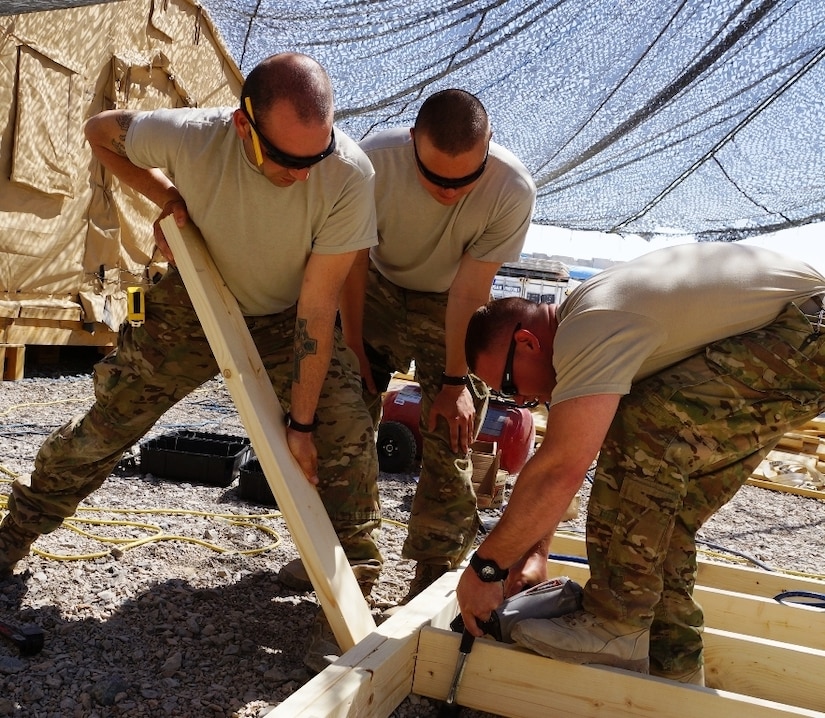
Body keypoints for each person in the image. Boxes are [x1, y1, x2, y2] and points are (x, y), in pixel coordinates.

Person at [0, 52, 383, 673]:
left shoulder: (349, 174)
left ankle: (352, 578)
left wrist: (303, 425)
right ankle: (14, 534)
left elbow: (318, 307)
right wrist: (167, 197)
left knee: (345, 431)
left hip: (290, 317)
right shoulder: (190, 135)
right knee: (109, 425)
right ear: (242, 125)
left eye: (316, 156)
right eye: (287, 159)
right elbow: (100, 132)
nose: (304, 174)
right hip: (192, 303)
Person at [456, 242, 825, 685]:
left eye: (510, 385)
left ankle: (617, 625)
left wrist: (486, 568)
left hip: (804, 333)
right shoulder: (584, 326)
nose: (517, 400)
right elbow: (564, 453)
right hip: (799, 340)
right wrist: (534, 552)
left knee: (643, 429)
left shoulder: (589, 327)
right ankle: (675, 672)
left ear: (527, 341)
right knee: (665, 518)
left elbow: (562, 467)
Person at [328, 89, 535, 604]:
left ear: (489, 146)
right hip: (373, 287)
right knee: (343, 417)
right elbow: (352, 261)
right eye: (435, 176)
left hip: (452, 301)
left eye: (464, 178)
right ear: (413, 140)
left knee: (453, 433)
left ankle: (433, 574)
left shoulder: (511, 189)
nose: (449, 190)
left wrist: (455, 382)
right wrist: (353, 343)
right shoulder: (373, 161)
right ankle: (342, 556)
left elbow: (471, 289)